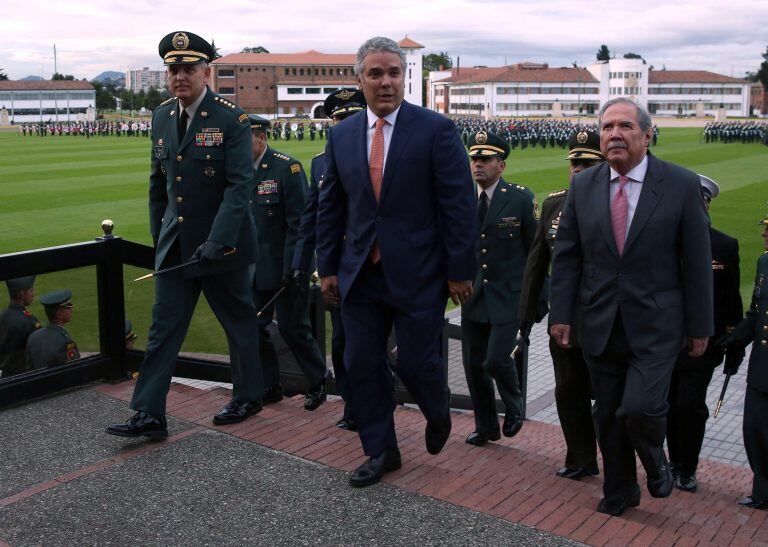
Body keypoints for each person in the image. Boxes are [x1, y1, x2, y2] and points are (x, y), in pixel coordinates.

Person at [316, 36, 475, 487]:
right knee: (361, 363)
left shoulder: (435, 130)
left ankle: (437, 407)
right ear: (359, 78)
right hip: (361, 274)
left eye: (393, 73)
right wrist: (327, 266)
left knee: (416, 365)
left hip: (419, 273)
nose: (385, 82)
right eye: (375, 73)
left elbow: (458, 206)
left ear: (404, 77)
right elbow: (332, 206)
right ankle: (381, 450)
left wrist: (460, 270)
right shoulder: (342, 134)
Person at [549, 97, 713, 516]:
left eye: (625, 126)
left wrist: (700, 326)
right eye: (607, 127)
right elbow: (567, 255)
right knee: (607, 414)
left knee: (638, 408)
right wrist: (562, 314)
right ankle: (620, 491)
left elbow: (696, 262)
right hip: (600, 321)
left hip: (657, 325)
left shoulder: (679, 184)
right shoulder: (584, 185)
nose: (614, 134)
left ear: (647, 135)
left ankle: (656, 459)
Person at [106, 31, 264, 440]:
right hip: (178, 249)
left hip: (223, 247)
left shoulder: (232, 119)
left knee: (238, 323)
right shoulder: (161, 116)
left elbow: (239, 187)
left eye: (189, 68)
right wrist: (160, 237)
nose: (180, 76)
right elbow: (158, 184)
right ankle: (149, 414)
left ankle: (248, 395)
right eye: (173, 69)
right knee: (163, 327)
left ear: (205, 72)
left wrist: (217, 240)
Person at [519, 130, 604, 480]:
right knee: (569, 392)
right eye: (575, 163)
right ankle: (580, 458)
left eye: (587, 163)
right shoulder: (555, 204)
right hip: (565, 320)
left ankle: (617, 455)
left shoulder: (619, 203)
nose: (579, 170)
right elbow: (536, 265)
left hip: (607, 319)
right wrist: (523, 320)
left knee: (612, 397)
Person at [292, 88, 368, 431]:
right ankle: (353, 405)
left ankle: (376, 402)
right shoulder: (320, 163)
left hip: (374, 265)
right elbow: (311, 216)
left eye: (352, 119)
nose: (345, 126)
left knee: (371, 344)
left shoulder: (381, 154)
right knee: (340, 344)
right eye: (339, 120)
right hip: (337, 269)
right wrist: (300, 262)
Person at [460, 131, 540, 446]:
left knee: (496, 360)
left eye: (486, 159)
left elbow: (537, 252)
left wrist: (538, 299)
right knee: (474, 367)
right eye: (475, 158)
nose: (478, 164)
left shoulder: (519, 199)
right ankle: (486, 426)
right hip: (474, 296)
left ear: (501, 165)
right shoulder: (464, 201)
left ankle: (514, 404)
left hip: (510, 296)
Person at [666, 175, 742, 493]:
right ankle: (673, 460)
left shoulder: (724, 245)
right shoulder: (666, 241)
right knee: (668, 403)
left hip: (703, 343)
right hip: (667, 340)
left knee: (690, 404)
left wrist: (732, 339)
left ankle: (688, 467)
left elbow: (731, 297)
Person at [249, 114, 328, 410]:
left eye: (247, 139)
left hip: (286, 268)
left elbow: (300, 224)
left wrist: (295, 267)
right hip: (256, 268)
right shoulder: (241, 171)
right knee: (256, 327)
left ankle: (319, 379)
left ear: (261, 138)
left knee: (294, 328)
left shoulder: (287, 168)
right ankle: (270, 385)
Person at [719, 211, 768, 510]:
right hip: (762, 365)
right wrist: (737, 337)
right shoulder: (765, 261)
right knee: (755, 430)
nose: (764, 234)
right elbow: (757, 312)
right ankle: (762, 491)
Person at [26, 290, 80, 369]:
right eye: (68, 308)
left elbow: (29, 369)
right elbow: (73, 370)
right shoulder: (65, 342)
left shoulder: (34, 336)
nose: (72, 310)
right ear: (59, 314)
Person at [0, 276, 41, 378]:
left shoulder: (2, 316)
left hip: (5, 377)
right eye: (31, 290)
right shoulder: (29, 321)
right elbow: (40, 351)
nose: (33, 294)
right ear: (21, 294)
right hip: (25, 378)